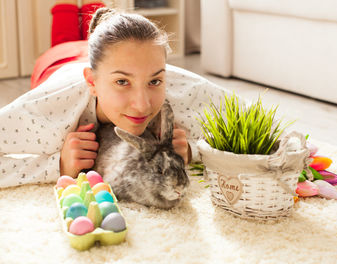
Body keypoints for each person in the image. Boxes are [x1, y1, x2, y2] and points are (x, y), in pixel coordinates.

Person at [0, 0, 231, 188]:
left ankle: (94, 13)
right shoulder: (49, 110)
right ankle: (72, 12)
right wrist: (57, 165)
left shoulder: (181, 89)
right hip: (58, 62)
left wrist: (195, 149)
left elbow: (262, 125)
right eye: (122, 82)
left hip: (109, 58)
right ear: (92, 82)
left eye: (154, 81)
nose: (142, 105)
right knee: (64, 33)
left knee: (108, 48)